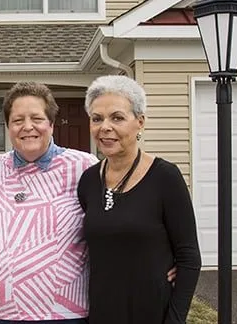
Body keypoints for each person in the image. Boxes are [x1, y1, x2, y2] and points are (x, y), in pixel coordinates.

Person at [0, 82, 98, 323]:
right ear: (8, 127)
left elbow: (116, 219)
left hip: (59, 313)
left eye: (37, 118)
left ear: (51, 124)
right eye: (18, 120)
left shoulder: (84, 166)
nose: (28, 127)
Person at [77, 75, 201, 324]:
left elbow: (189, 257)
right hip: (102, 312)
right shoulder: (88, 180)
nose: (105, 127)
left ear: (140, 122)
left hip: (153, 312)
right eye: (97, 118)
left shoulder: (165, 177)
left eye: (117, 118)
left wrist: (174, 320)